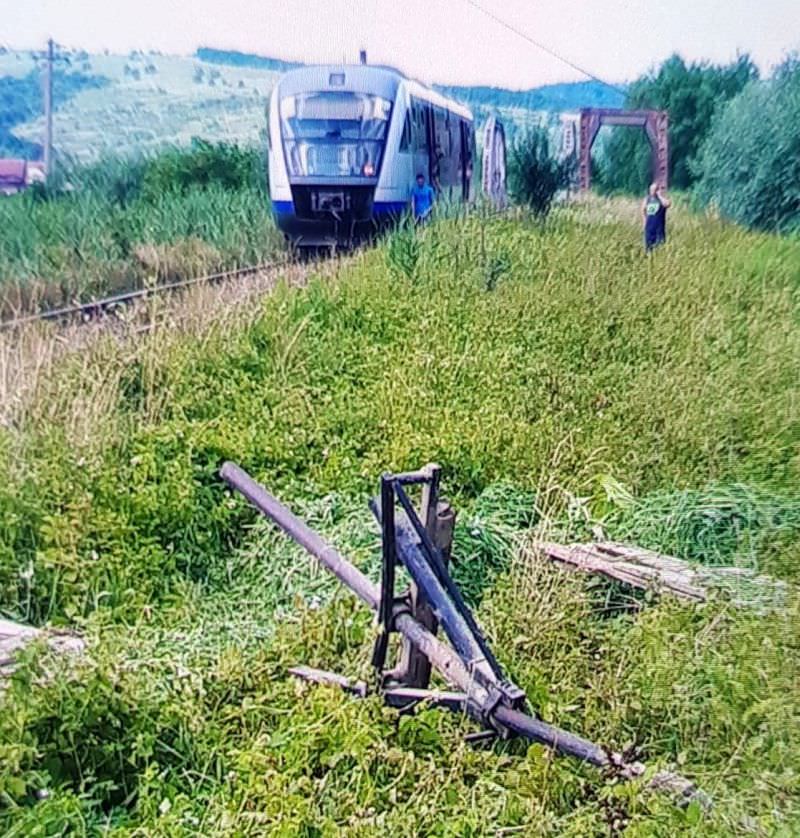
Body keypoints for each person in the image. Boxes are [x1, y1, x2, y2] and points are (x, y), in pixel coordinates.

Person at [642, 182, 671, 251]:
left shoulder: (661, 200)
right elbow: (643, 209)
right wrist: (644, 221)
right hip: (649, 228)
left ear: (657, 190)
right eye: (651, 190)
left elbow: (668, 204)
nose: (652, 192)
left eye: (654, 190)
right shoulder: (647, 199)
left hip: (659, 228)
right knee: (648, 248)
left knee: (660, 247)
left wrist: (659, 196)